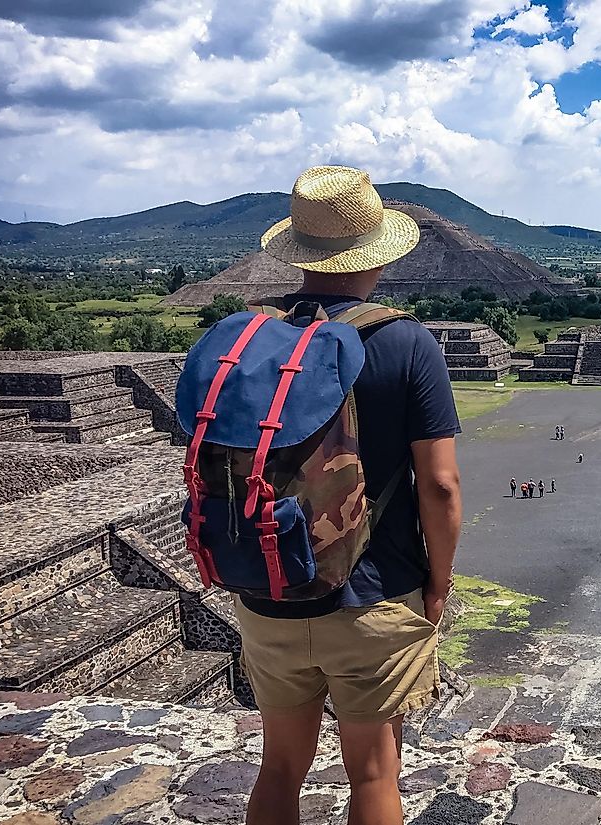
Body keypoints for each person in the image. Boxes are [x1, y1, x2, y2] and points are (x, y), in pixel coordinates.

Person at [230, 166, 461, 825]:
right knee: (373, 770)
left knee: (278, 765)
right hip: (372, 593)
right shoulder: (404, 342)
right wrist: (438, 583)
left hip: (270, 585)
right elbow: (441, 485)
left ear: (299, 251)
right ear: (378, 253)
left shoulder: (252, 337)